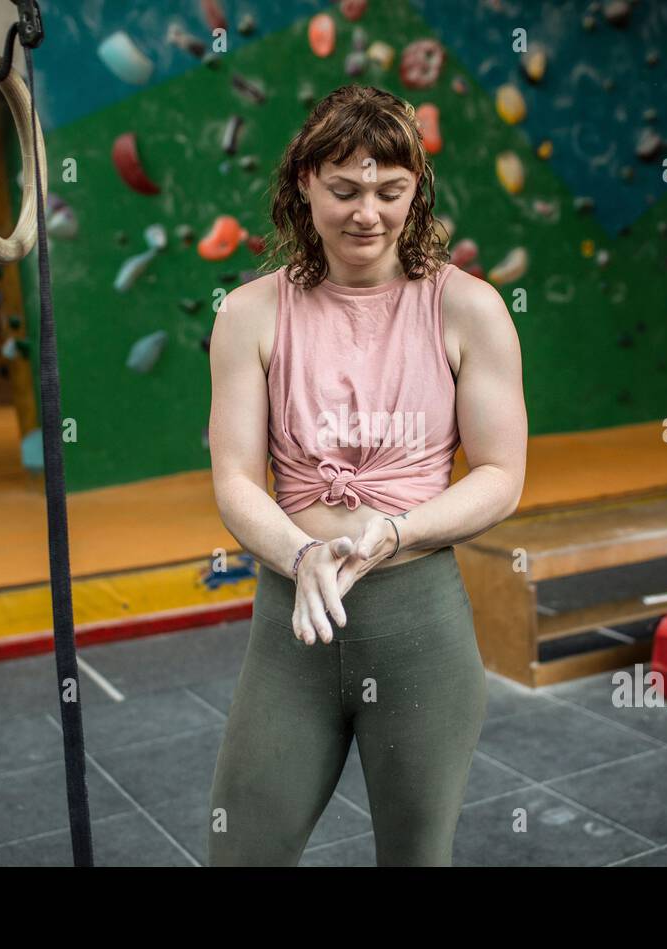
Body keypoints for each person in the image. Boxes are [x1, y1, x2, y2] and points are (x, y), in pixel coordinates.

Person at [205, 85, 527, 866]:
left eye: (390, 191)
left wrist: (396, 529)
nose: (367, 214)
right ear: (303, 185)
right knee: (242, 851)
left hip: (419, 627)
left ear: (417, 190)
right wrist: (300, 552)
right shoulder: (249, 313)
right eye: (344, 190)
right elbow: (237, 479)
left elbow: (500, 474)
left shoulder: (468, 308)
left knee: (417, 859)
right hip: (293, 627)